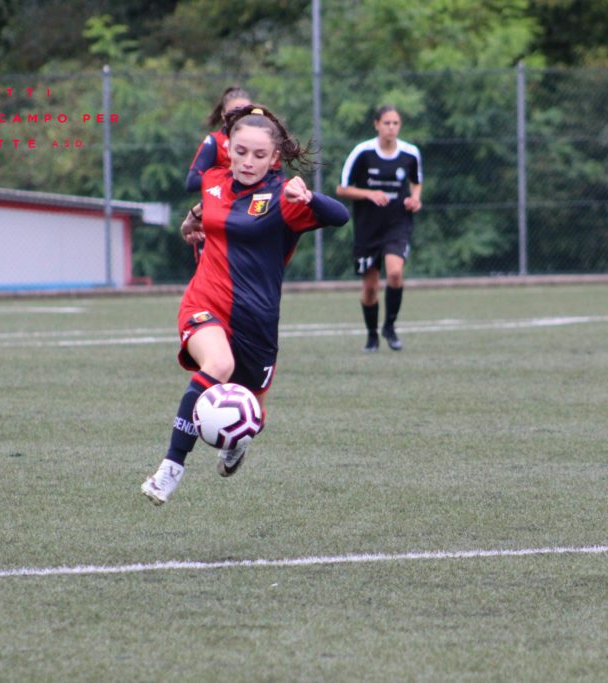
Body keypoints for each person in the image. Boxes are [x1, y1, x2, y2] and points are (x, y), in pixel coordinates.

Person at [142, 104, 350, 505]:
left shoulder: (283, 198)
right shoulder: (215, 181)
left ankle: (237, 439)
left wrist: (308, 194)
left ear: (274, 158)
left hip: (257, 320)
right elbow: (210, 211)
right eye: (240, 152)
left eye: (258, 155)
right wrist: (191, 220)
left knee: (253, 416)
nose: (247, 162)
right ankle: (170, 469)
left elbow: (339, 216)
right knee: (217, 366)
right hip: (205, 301)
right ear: (228, 149)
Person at [336, 105, 422, 352]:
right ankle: (372, 335)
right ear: (376, 124)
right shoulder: (362, 152)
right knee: (370, 287)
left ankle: (390, 327)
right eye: (387, 123)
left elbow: (416, 183)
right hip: (368, 227)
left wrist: (414, 199)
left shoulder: (410, 153)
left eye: (395, 123)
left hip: (398, 223)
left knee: (395, 273)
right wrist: (369, 193)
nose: (391, 128)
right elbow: (342, 189)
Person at [185, 86, 252, 193]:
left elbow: (277, 179)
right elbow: (192, 182)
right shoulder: (215, 141)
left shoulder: (264, 141)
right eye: (235, 111)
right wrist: (230, 176)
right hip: (228, 205)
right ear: (223, 115)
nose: (241, 117)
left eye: (246, 112)